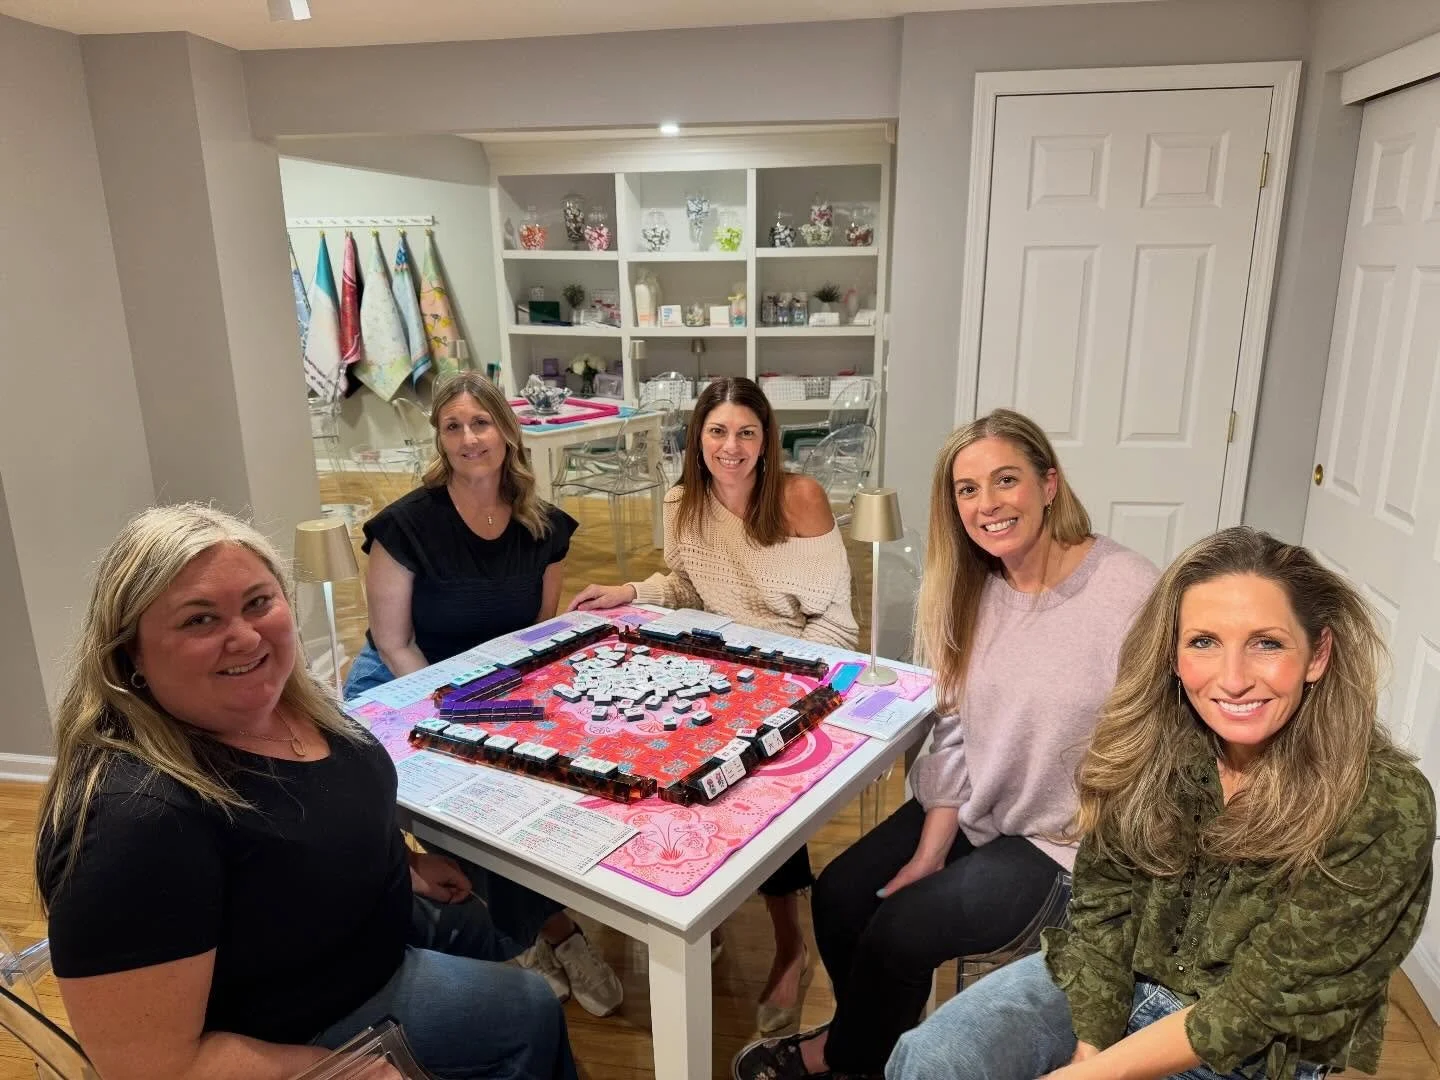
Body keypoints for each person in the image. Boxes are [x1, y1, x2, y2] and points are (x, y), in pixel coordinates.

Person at [36, 504, 579, 1080]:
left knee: (504, 919)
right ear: (131, 653)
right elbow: (152, 1067)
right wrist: (338, 1070)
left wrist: (404, 862)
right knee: (529, 1008)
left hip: (366, 926)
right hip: (305, 1018)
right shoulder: (134, 821)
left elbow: (320, 810)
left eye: (258, 602)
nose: (245, 636)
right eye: (200, 620)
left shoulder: (289, 699)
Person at [888, 526, 1435, 1080]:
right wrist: (1092, 1048)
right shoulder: (1150, 743)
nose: (1233, 679)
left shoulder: (1384, 802)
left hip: (1253, 1045)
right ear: (1172, 654)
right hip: (1118, 976)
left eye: (1267, 643)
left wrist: (1095, 1075)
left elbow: (1261, 1000)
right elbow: (1105, 903)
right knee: (930, 1058)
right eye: (1203, 642)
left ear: (1317, 654)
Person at [734, 408, 1159, 1079]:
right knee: (842, 894)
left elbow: (1163, 738)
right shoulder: (969, 586)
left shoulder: (1129, 588)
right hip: (982, 806)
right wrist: (931, 848)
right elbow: (955, 729)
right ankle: (868, 1043)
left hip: (1068, 843)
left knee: (901, 932)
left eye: (1006, 480)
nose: (987, 504)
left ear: (1049, 484)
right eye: (967, 489)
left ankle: (844, 1059)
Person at [568, 375, 857, 1033]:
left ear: (766, 439)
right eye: (718, 431)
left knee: (757, 781)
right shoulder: (682, 501)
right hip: (719, 668)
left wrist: (777, 682)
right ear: (697, 438)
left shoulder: (800, 497)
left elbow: (837, 622)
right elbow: (686, 585)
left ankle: (791, 944)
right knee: (653, 751)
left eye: (746, 432)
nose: (732, 447)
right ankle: (706, 907)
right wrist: (631, 590)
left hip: (797, 671)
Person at [344, 371, 623, 1018]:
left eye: (481, 422)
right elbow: (394, 643)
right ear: (440, 440)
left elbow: (536, 635)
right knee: (471, 790)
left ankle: (526, 929)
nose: (469, 438)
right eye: (453, 427)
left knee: (539, 776)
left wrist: (505, 707)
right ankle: (551, 931)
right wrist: (459, 713)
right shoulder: (404, 528)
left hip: (493, 680)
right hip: (407, 681)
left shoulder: (543, 527)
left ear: (506, 430)